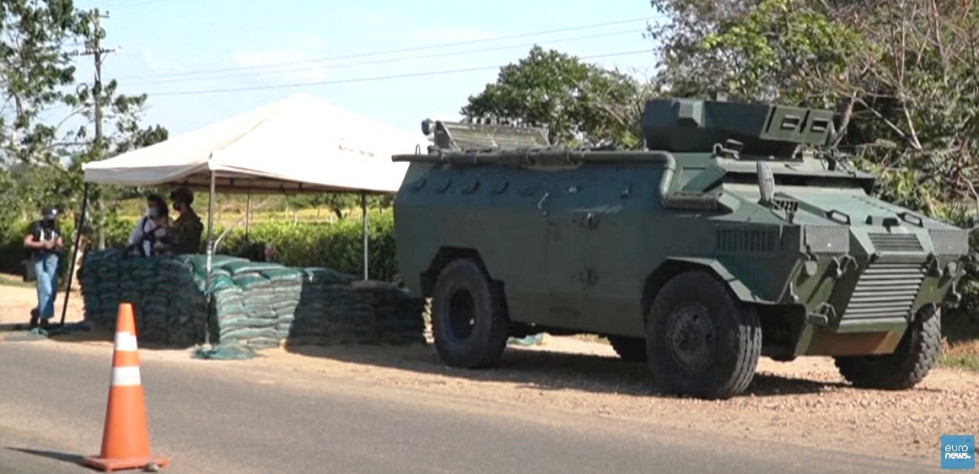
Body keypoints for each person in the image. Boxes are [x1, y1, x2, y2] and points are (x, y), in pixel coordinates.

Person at [23, 207, 63, 328]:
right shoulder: (36, 227)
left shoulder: (56, 227)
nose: (51, 222)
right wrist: (42, 244)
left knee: (54, 290)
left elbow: (60, 242)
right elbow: (26, 242)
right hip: (39, 258)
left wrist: (57, 244)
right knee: (45, 288)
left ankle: (37, 312)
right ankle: (44, 319)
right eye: (49, 219)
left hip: (53, 259)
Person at [169, 187, 203, 254]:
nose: (175, 204)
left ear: (181, 202)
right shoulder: (183, 218)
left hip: (185, 257)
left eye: (176, 201)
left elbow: (179, 239)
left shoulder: (190, 221)